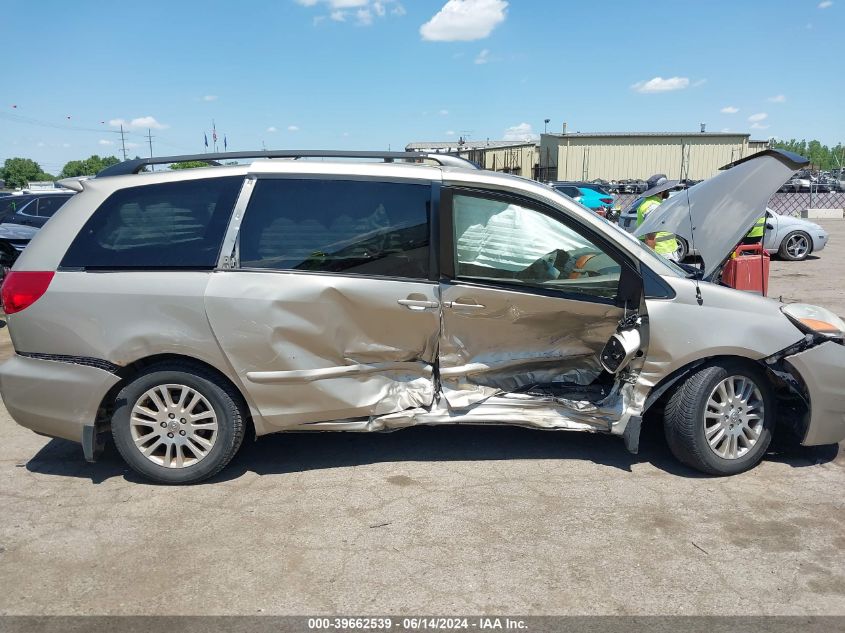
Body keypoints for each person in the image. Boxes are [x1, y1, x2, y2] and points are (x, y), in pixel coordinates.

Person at [636, 174, 679, 260]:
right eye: (666, 188)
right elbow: (650, 237)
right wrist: (651, 261)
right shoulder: (653, 207)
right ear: (660, 191)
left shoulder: (654, 203)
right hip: (662, 254)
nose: (668, 190)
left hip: (665, 252)